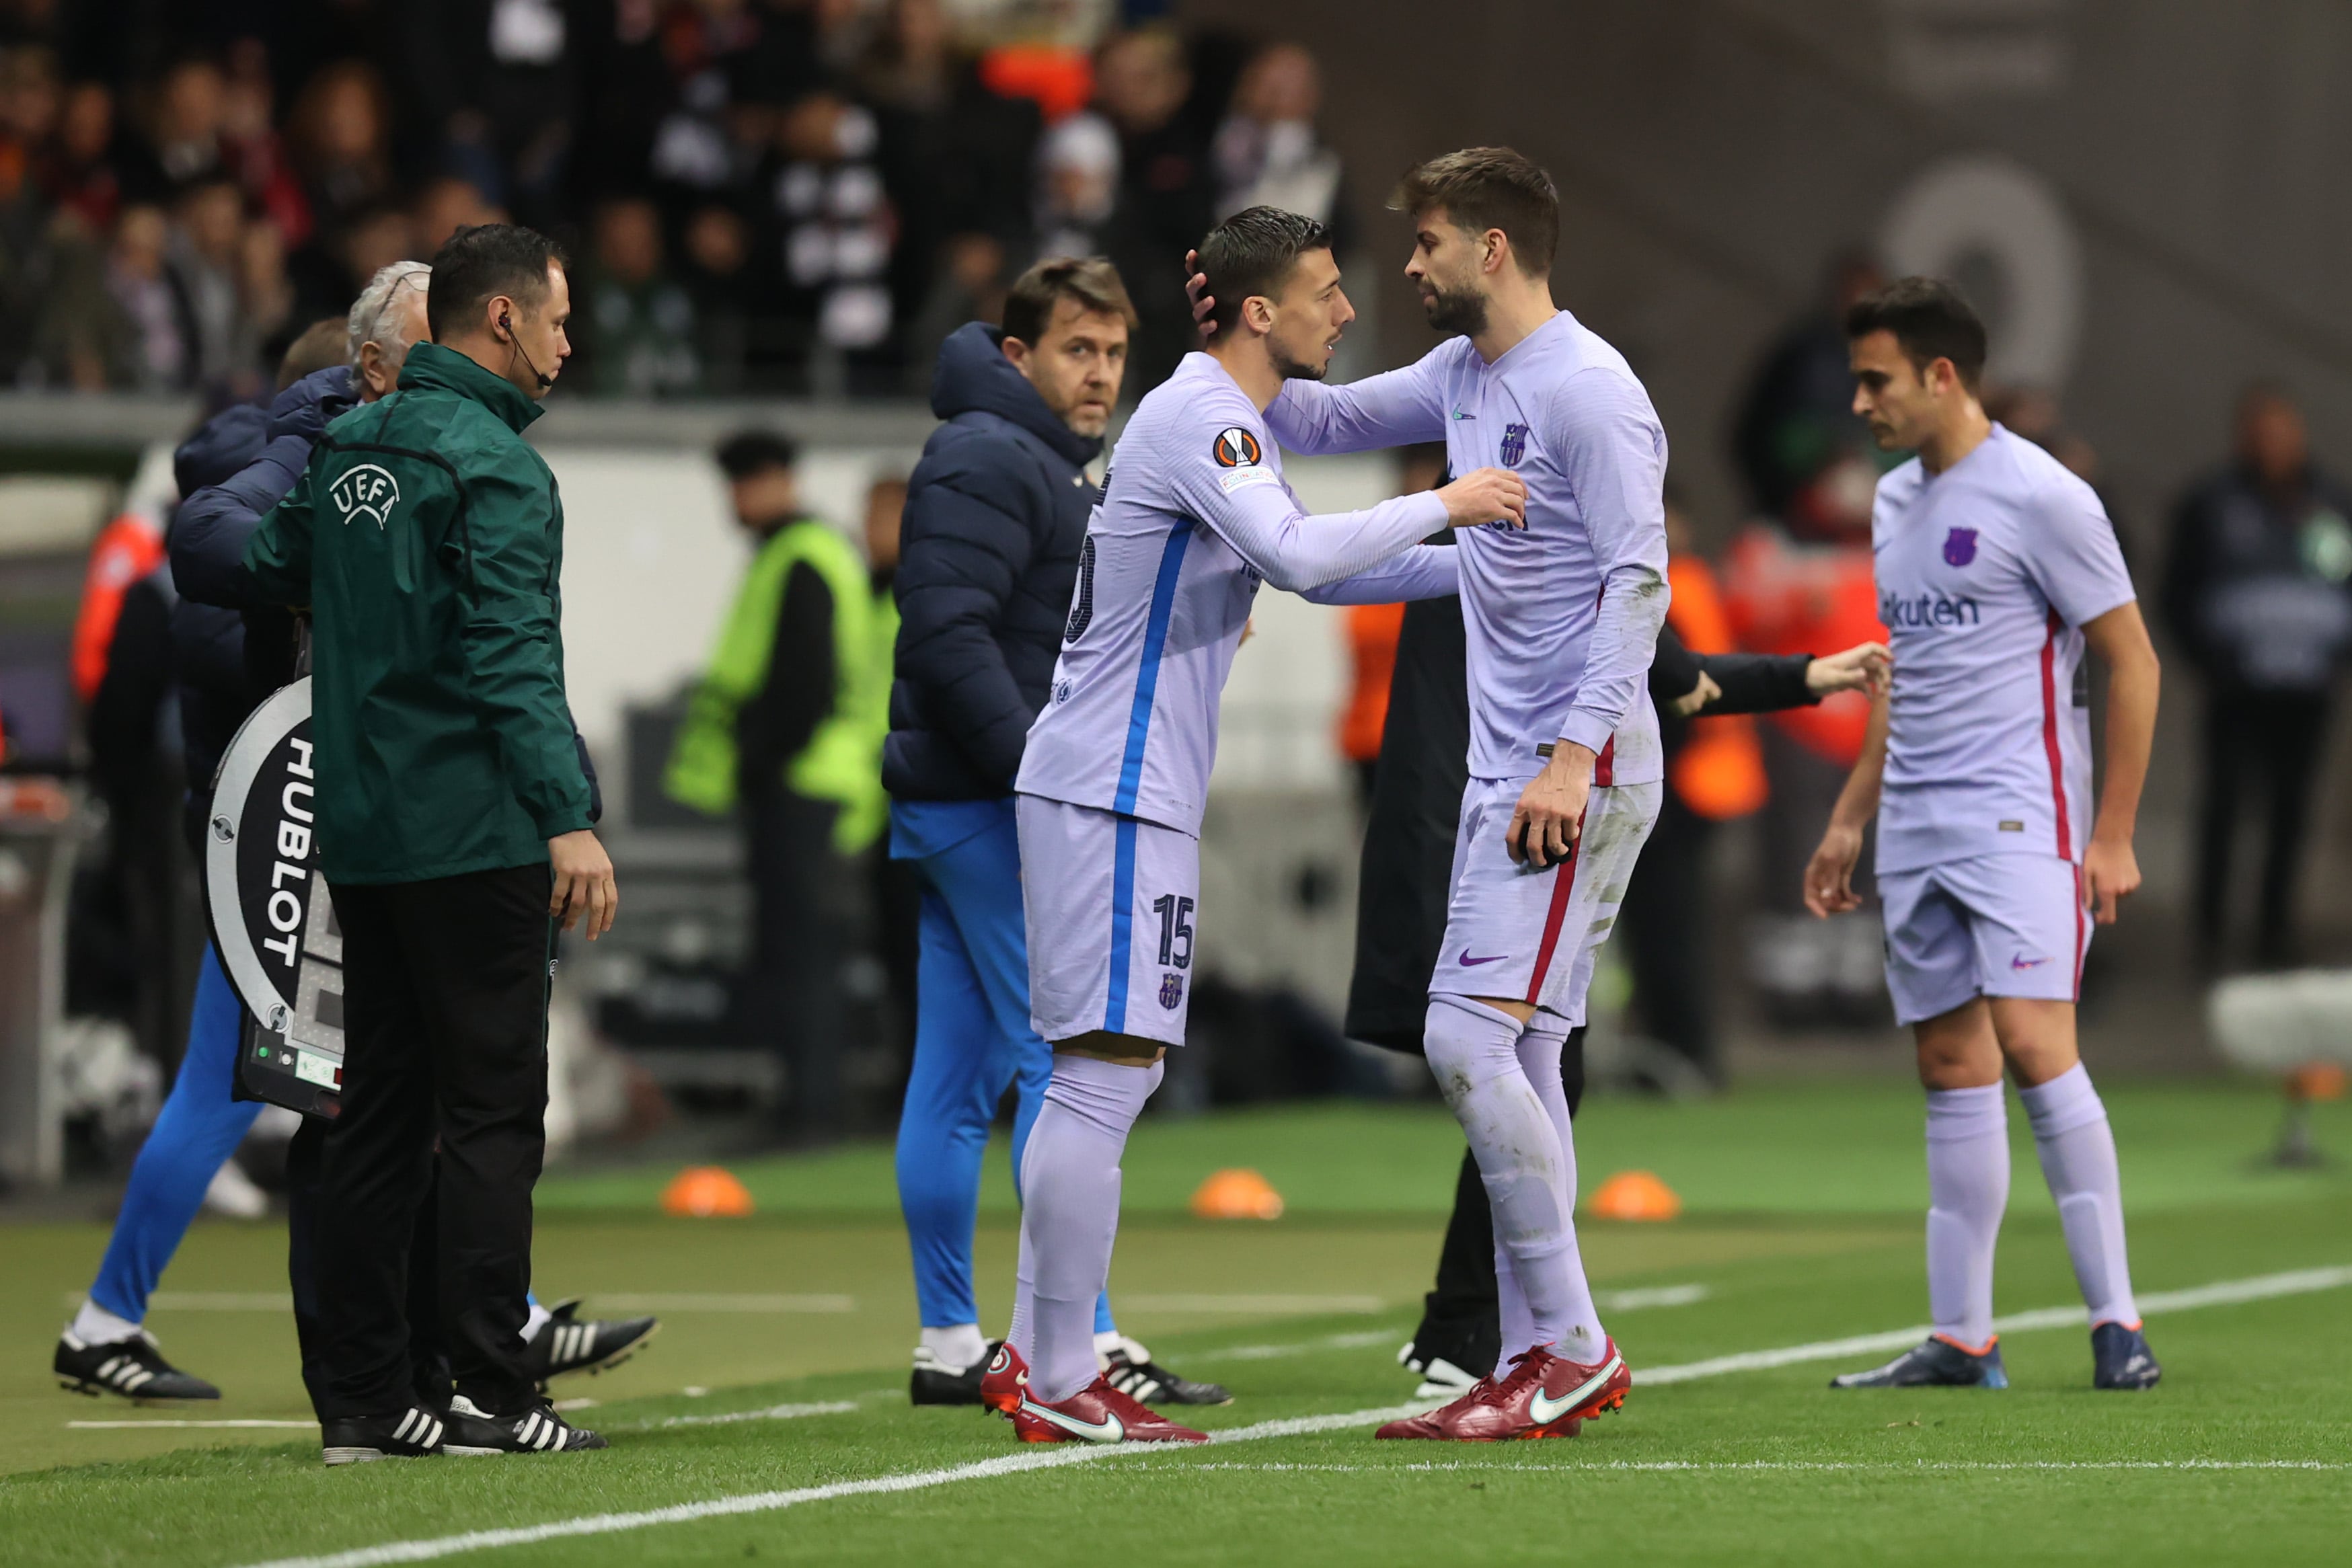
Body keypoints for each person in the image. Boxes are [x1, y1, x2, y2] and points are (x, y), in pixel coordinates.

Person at [978, 206, 1522, 1445]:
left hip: (1130, 787)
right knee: (1102, 1071)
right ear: (1260, 310)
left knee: (1112, 1068)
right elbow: (1304, 559)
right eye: (1327, 292)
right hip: (1108, 785)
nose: (1344, 310)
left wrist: (1488, 562)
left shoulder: (1225, 419)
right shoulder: (1202, 416)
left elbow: (1316, 561)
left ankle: (1045, 1357)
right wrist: (1450, 503)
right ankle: (1055, 1371)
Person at [1197, 147, 1668, 1441]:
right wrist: (1242, 334)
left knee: (1464, 1040)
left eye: (1426, 244)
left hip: (1578, 767)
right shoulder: (1467, 375)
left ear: (1493, 251)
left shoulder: (1590, 390)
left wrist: (1573, 758)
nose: (1406, 268)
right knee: (1514, 1046)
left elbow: (1640, 581)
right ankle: (1532, 1354)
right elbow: (1317, 420)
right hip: (1506, 765)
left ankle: (1567, 1342)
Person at [241, 223, 617, 1462]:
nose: (569, 345)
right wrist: (567, 813)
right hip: (474, 831)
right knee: (496, 1115)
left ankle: (363, 1401)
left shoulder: (354, 439)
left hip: (364, 831)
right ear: (500, 320)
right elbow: (511, 656)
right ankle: (494, 1394)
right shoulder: (500, 472)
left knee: (375, 1111)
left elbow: (268, 556)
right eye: (557, 319)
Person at [1803, 278, 2164, 1393]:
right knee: (1947, 1058)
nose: (1858, 400)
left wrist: (2111, 834)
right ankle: (1962, 1336)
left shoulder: (2044, 495)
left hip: (2020, 819)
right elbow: (1902, 672)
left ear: (1940, 375)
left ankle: (2118, 1323)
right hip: (1912, 818)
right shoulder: (1892, 499)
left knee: (2035, 1041)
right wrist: (1851, 812)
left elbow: (2132, 659)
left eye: (1875, 379)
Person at [886, 258, 1221, 1411]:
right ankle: (1084, 1344)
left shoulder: (1021, 457)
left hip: (958, 796)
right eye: (1079, 350)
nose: (1102, 374)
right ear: (1018, 354)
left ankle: (949, 1339)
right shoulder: (988, 453)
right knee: (1070, 1057)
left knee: (957, 1075)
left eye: (1116, 353)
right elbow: (944, 632)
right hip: (992, 800)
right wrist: (1042, 775)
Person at [665, 429, 888, 1143]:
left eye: (738, 484)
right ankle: (806, 1102)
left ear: (771, 481)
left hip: (803, 785)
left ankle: (809, 1111)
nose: (732, 502)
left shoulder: (801, 559)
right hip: (810, 782)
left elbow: (803, 686)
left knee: (802, 953)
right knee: (800, 950)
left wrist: (757, 760)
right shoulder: (801, 556)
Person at [2160, 382, 2352, 969]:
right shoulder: (2210, 503)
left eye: (2281, 433)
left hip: (2306, 689)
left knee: (2291, 812)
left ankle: (2274, 932)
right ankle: (2211, 933)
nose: (2272, 444)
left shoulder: (2330, 504)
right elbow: (2177, 590)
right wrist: (2207, 661)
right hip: (2235, 688)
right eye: (2260, 433)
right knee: (2223, 807)